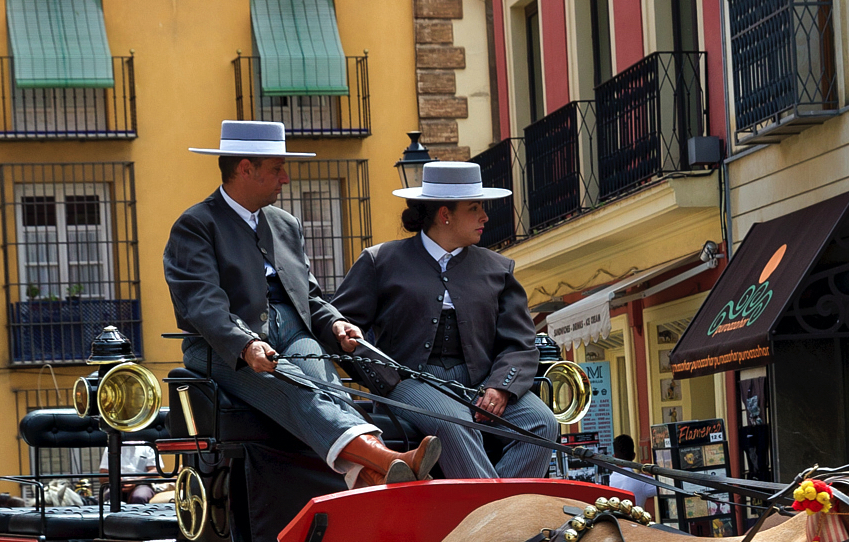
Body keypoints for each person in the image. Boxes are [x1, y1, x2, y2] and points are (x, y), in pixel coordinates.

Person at [165, 120, 438, 488]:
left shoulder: (285, 223)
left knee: (330, 388)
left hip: (293, 330)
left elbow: (308, 296)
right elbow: (202, 303)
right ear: (246, 168)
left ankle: (373, 476)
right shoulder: (196, 224)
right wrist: (245, 344)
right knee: (297, 388)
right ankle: (387, 459)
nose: (286, 178)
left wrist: (336, 323)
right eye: (277, 169)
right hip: (219, 345)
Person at [333, 160, 558, 479]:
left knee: (542, 422)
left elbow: (520, 342)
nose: (485, 217)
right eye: (474, 208)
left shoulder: (498, 269)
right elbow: (339, 328)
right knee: (453, 422)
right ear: (445, 214)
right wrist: (384, 377)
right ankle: (492, 517)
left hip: (481, 381)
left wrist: (501, 387)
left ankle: (503, 508)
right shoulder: (380, 262)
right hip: (410, 382)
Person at [606, 435, 660, 514]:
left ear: (614, 456)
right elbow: (667, 487)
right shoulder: (642, 481)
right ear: (634, 456)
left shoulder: (609, 480)